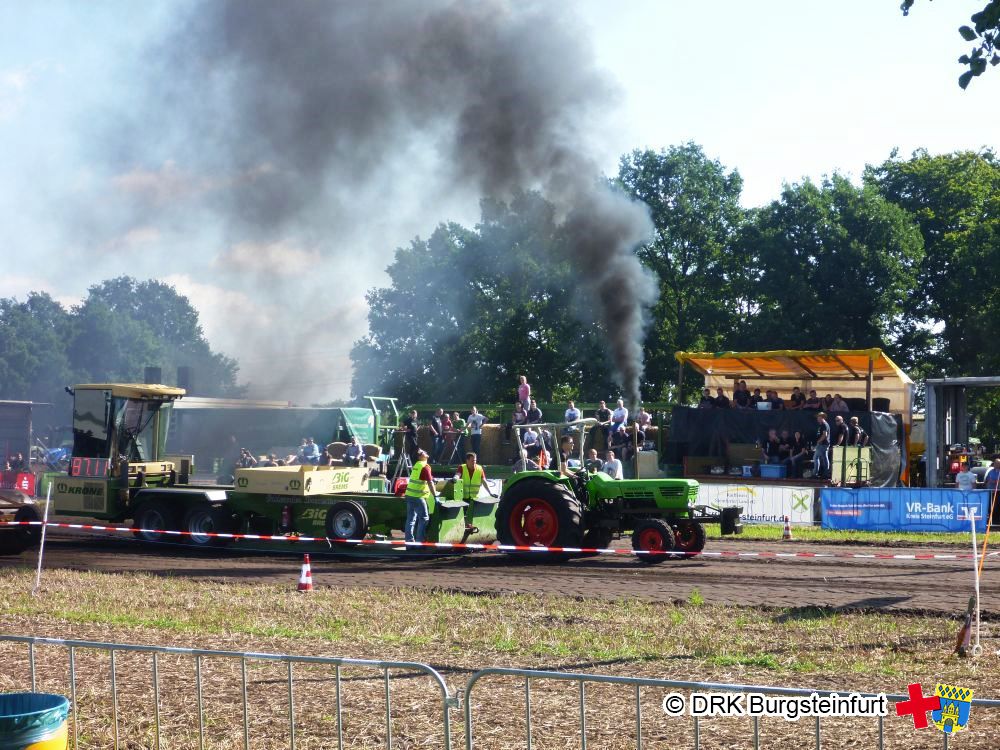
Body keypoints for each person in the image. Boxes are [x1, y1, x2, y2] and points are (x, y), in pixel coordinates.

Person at [455, 452, 498, 527]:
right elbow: (457, 475)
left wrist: (490, 493)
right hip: (462, 498)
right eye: (472, 461)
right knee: (463, 515)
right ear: (467, 461)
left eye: (475, 461)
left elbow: (484, 481)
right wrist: (455, 478)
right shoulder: (462, 467)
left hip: (473, 498)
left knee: (472, 515)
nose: (474, 462)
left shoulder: (479, 469)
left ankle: (470, 526)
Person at [404, 449, 438, 544]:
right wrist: (435, 495)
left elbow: (424, 478)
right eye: (423, 453)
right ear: (420, 457)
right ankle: (420, 542)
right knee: (424, 519)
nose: (426, 453)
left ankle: (409, 542)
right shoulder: (425, 466)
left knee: (411, 519)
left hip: (410, 495)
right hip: (418, 496)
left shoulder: (417, 465)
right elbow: (430, 482)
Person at [814, 412, 831, 480]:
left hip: (823, 444)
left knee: (815, 457)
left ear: (822, 417)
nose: (817, 418)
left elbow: (825, 435)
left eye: (819, 417)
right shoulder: (822, 425)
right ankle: (825, 474)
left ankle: (815, 473)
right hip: (824, 444)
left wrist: (819, 441)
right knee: (824, 458)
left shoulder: (824, 424)